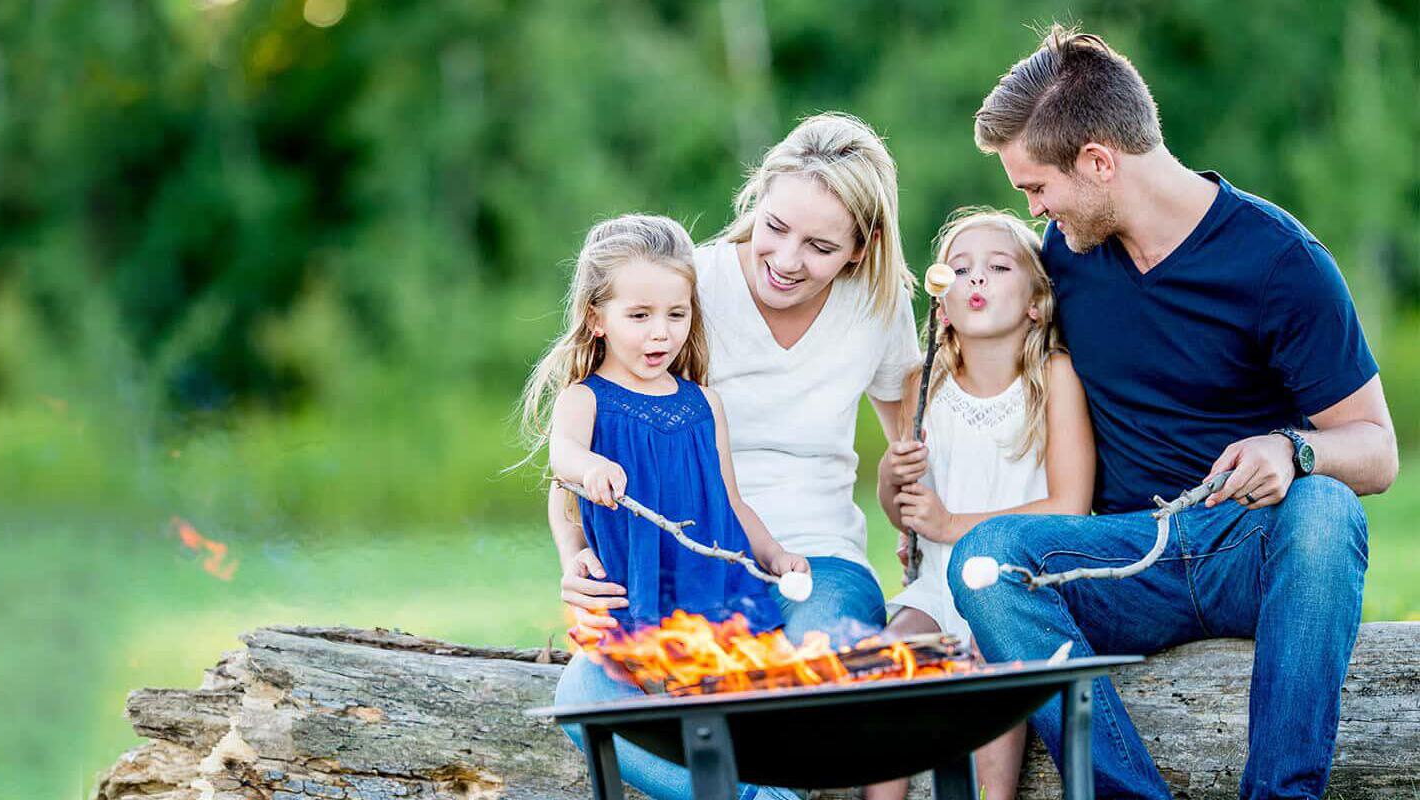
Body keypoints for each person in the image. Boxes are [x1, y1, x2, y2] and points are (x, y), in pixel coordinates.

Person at [949, 25, 1400, 799]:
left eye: (1036, 187)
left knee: (1325, 511)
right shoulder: (1067, 259)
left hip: (1249, 550)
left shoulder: (1281, 263)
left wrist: (1291, 450)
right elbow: (973, 324)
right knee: (985, 562)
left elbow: (1377, 451)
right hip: (1131, 560)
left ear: (1098, 161)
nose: (1034, 208)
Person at [548, 111, 921, 799]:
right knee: (584, 693)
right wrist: (573, 554)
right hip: (685, 562)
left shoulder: (879, 305)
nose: (784, 259)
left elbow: (911, 434)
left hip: (817, 560)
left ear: (861, 248)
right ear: (757, 201)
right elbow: (582, 441)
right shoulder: (687, 289)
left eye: (818, 245)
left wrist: (915, 536)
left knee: (805, 689)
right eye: (774, 227)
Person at [517, 213, 808, 800]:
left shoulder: (704, 403)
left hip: (712, 594)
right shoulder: (586, 400)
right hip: (636, 596)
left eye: (676, 315)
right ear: (597, 318)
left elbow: (729, 500)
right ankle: (747, 797)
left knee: (734, 708)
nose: (661, 334)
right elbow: (563, 463)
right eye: (640, 316)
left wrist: (775, 554)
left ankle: (759, 785)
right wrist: (588, 479)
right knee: (605, 698)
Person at [869, 208, 1095, 800]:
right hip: (935, 585)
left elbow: (1070, 505)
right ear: (941, 303)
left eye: (997, 268)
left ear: (1035, 302)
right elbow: (907, 514)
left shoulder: (1055, 378)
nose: (976, 279)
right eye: (960, 269)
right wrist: (892, 477)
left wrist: (951, 523)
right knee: (888, 655)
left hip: (1015, 592)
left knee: (980, 655)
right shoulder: (926, 385)